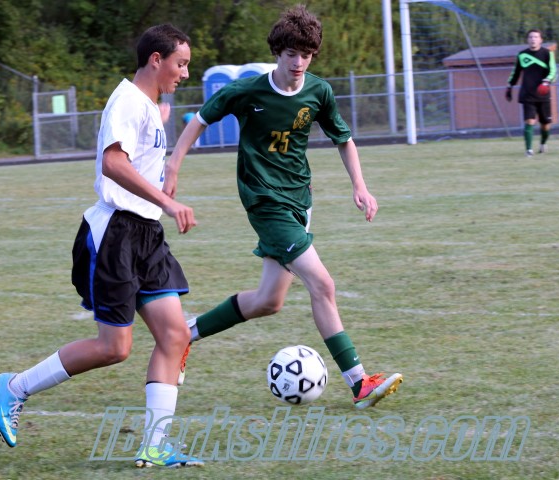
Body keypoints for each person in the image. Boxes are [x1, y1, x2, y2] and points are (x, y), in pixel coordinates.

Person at [165, 4, 402, 410]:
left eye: (306, 55)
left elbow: (343, 139)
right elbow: (200, 119)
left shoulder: (318, 92)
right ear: (277, 52)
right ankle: (359, 382)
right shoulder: (248, 91)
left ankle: (184, 334)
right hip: (265, 202)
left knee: (268, 301)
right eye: (291, 54)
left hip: (299, 203)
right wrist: (173, 165)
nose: (298, 63)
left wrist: (360, 186)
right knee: (322, 285)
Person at [0, 24, 204, 469]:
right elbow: (112, 162)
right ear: (156, 59)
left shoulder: (148, 104)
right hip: (116, 235)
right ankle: (14, 386)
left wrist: (163, 170)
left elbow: (139, 152)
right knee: (114, 348)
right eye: (181, 64)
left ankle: (156, 445)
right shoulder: (127, 100)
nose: (185, 73)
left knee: (175, 334)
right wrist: (167, 200)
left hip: (147, 235)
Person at [505, 28, 557, 157]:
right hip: (527, 93)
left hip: (543, 94)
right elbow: (516, 72)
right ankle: (529, 150)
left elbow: (553, 71)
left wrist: (546, 81)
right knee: (529, 121)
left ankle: (543, 143)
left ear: (541, 40)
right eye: (531, 37)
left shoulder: (547, 53)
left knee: (545, 125)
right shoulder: (522, 55)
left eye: (536, 37)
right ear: (527, 40)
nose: (533, 39)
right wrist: (509, 86)